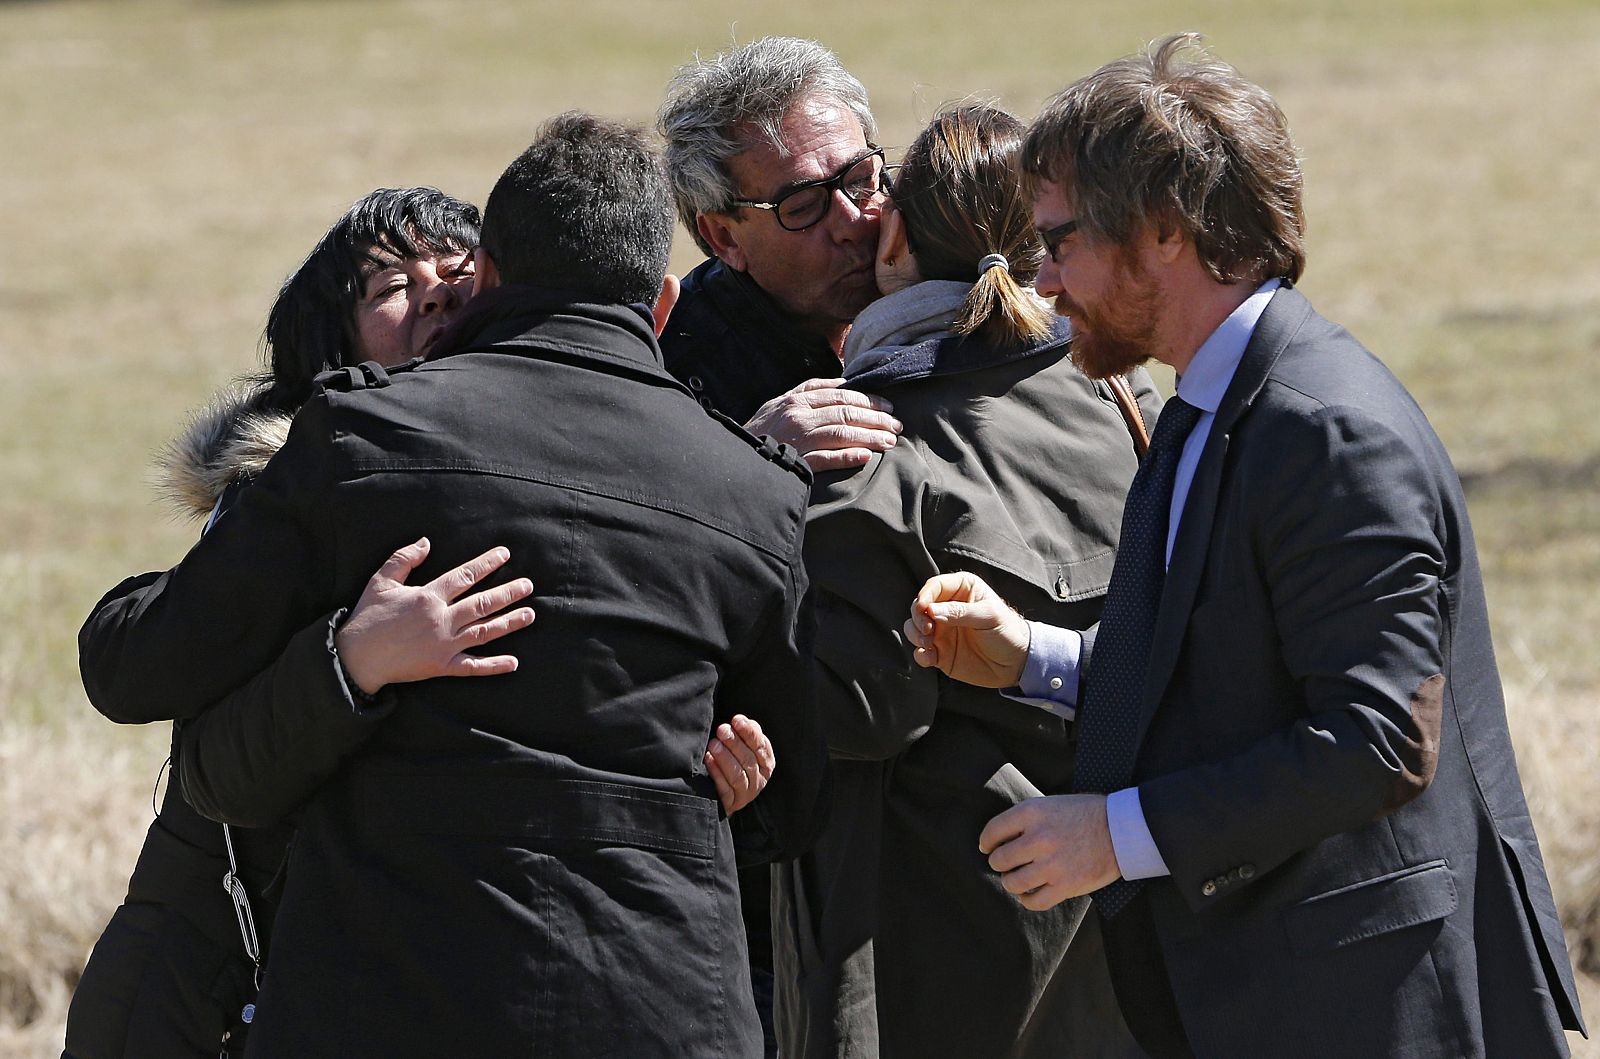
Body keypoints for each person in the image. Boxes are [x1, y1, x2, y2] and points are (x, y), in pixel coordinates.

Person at [77, 112, 826, 1057]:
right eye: (394, 284)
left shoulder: (359, 446)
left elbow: (143, 678)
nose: (433, 298)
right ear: (664, 303)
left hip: (389, 1002)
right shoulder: (754, 490)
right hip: (661, 1015)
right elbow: (801, 803)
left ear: (494, 283)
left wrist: (351, 664)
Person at [905, 34, 1585, 1059]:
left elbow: (1374, 739)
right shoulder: (1208, 405)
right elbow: (1232, 668)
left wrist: (1115, 835)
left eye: (1062, 242)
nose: (1041, 282)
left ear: (1166, 231)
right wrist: (1033, 658)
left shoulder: (1324, 431)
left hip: (1369, 1010)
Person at [62, 187, 518, 1059]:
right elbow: (131, 664)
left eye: (458, 268)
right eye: (387, 286)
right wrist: (352, 658)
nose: (432, 290)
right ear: (329, 348)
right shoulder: (288, 495)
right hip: (207, 975)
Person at [776, 103, 1157, 1058]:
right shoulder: (1133, 401)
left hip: (965, 939)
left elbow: (861, 710)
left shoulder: (861, 442)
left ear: (896, 234)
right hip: (1144, 916)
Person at [655, 37, 906, 1051]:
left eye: (860, 176)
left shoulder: (938, 296)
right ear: (722, 235)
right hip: (773, 857)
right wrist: (749, 460)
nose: (855, 221)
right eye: (804, 204)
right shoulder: (677, 378)